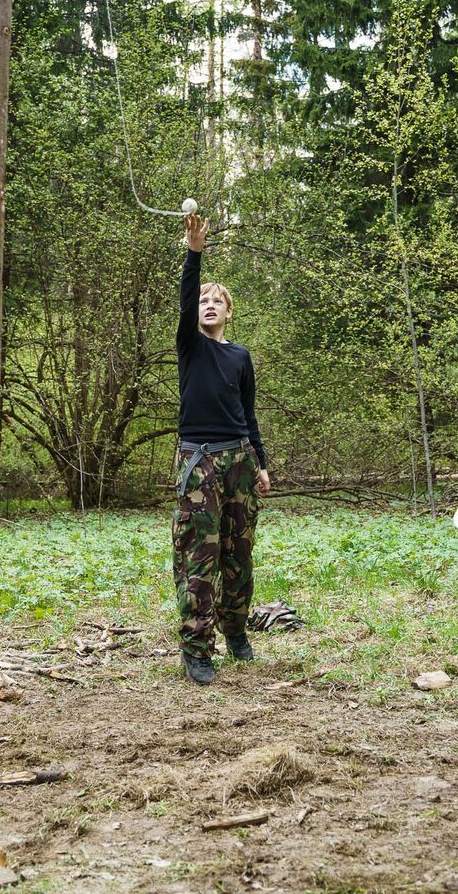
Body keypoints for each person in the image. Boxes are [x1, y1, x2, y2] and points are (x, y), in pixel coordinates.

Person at [173, 212, 271, 686]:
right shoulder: (190, 345)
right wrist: (195, 253)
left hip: (239, 460)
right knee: (200, 555)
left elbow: (248, 413)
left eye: (218, 301)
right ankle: (197, 647)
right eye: (204, 300)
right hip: (199, 462)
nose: (209, 304)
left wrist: (260, 463)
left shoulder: (239, 356)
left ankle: (236, 632)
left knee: (239, 553)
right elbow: (187, 294)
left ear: (229, 312)